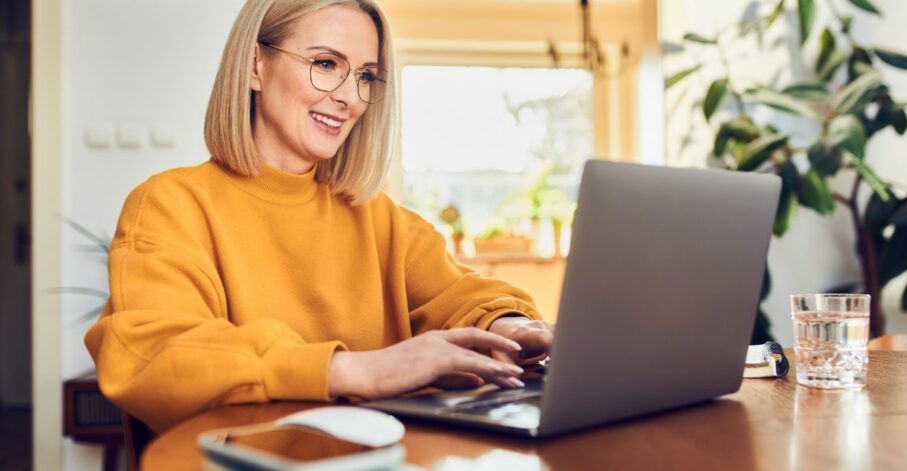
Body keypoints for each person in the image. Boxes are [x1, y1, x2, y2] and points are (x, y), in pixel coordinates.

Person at [84, 0, 554, 433]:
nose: (351, 98)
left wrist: (508, 326)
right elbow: (155, 355)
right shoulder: (170, 205)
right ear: (255, 66)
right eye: (326, 64)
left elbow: (463, 294)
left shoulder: (377, 217)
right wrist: (354, 371)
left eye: (365, 76)